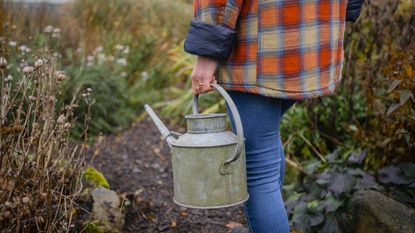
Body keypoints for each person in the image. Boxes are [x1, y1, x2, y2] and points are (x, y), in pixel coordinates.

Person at [183, 0, 364, 232]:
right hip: (316, 29)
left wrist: (208, 49)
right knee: (264, 146)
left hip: (261, 39)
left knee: (258, 171)